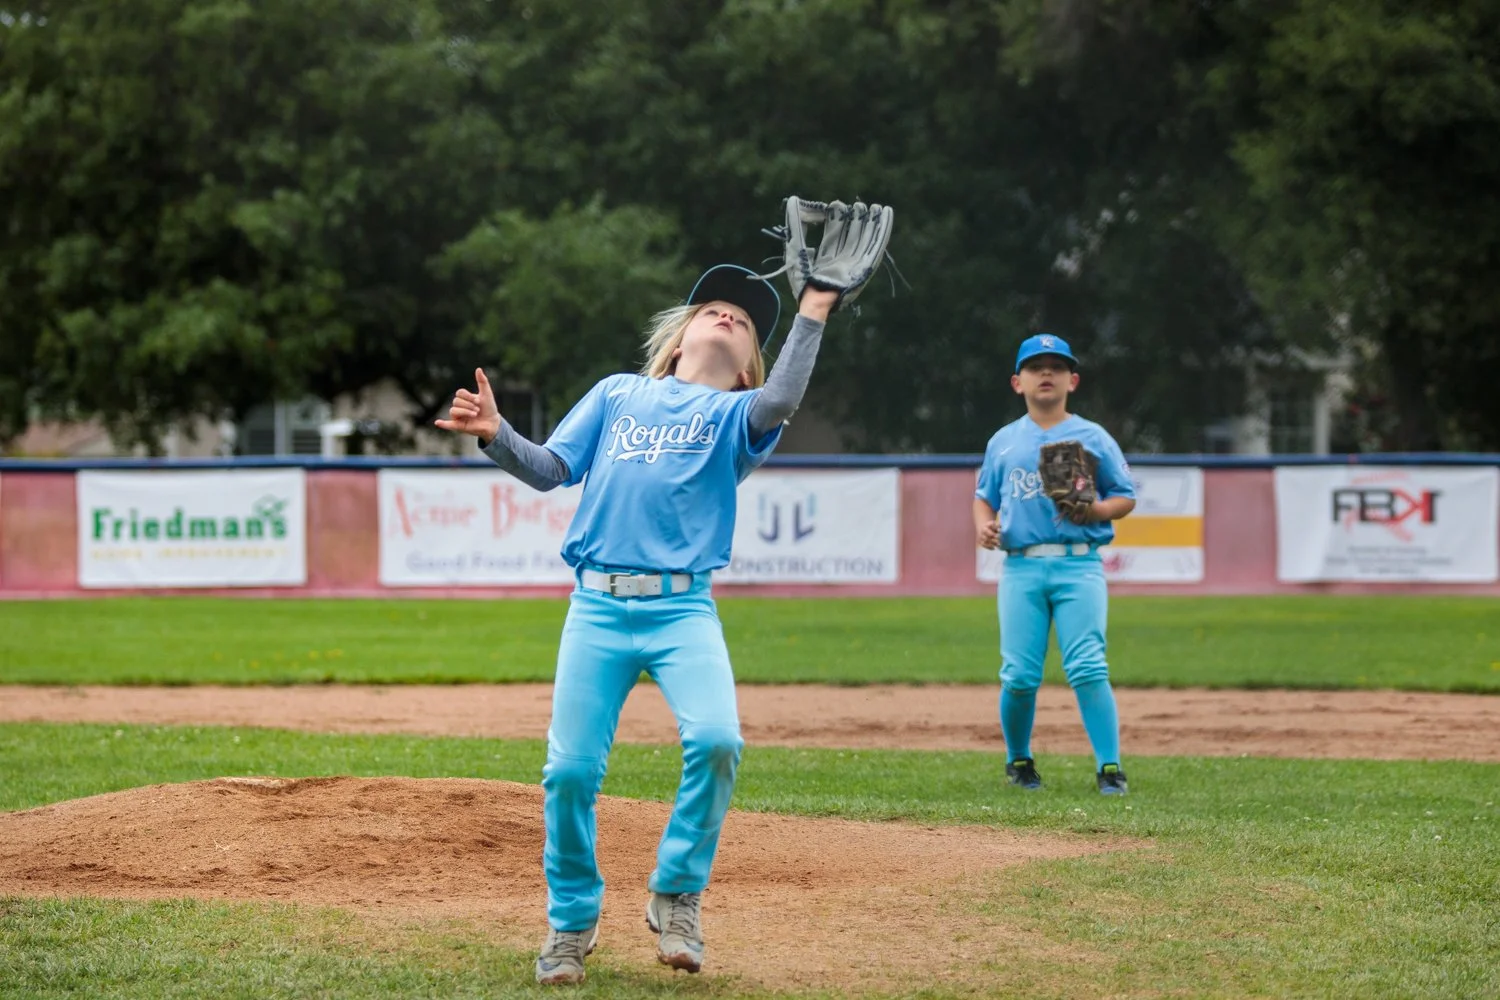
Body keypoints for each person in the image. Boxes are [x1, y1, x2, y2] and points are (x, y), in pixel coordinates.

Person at [436, 264, 839, 985]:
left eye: (743, 322)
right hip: (597, 607)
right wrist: (498, 434)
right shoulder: (618, 394)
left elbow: (781, 400)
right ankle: (570, 922)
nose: (727, 318)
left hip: (683, 608)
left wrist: (813, 308)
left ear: (749, 364)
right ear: (680, 334)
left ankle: (678, 892)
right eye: (714, 308)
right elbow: (553, 467)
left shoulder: (737, 419)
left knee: (718, 741)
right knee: (568, 772)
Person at [972, 333, 1137, 796]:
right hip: (1022, 567)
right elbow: (983, 499)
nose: (1046, 374)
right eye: (1036, 367)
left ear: (1073, 380)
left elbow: (1124, 497)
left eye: (1057, 367)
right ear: (1016, 382)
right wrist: (984, 528)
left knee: (1087, 667)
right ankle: (1019, 760)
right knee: (1020, 675)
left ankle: (1110, 768)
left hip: (1078, 565)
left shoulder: (1091, 436)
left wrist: (1096, 511)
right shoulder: (1003, 442)